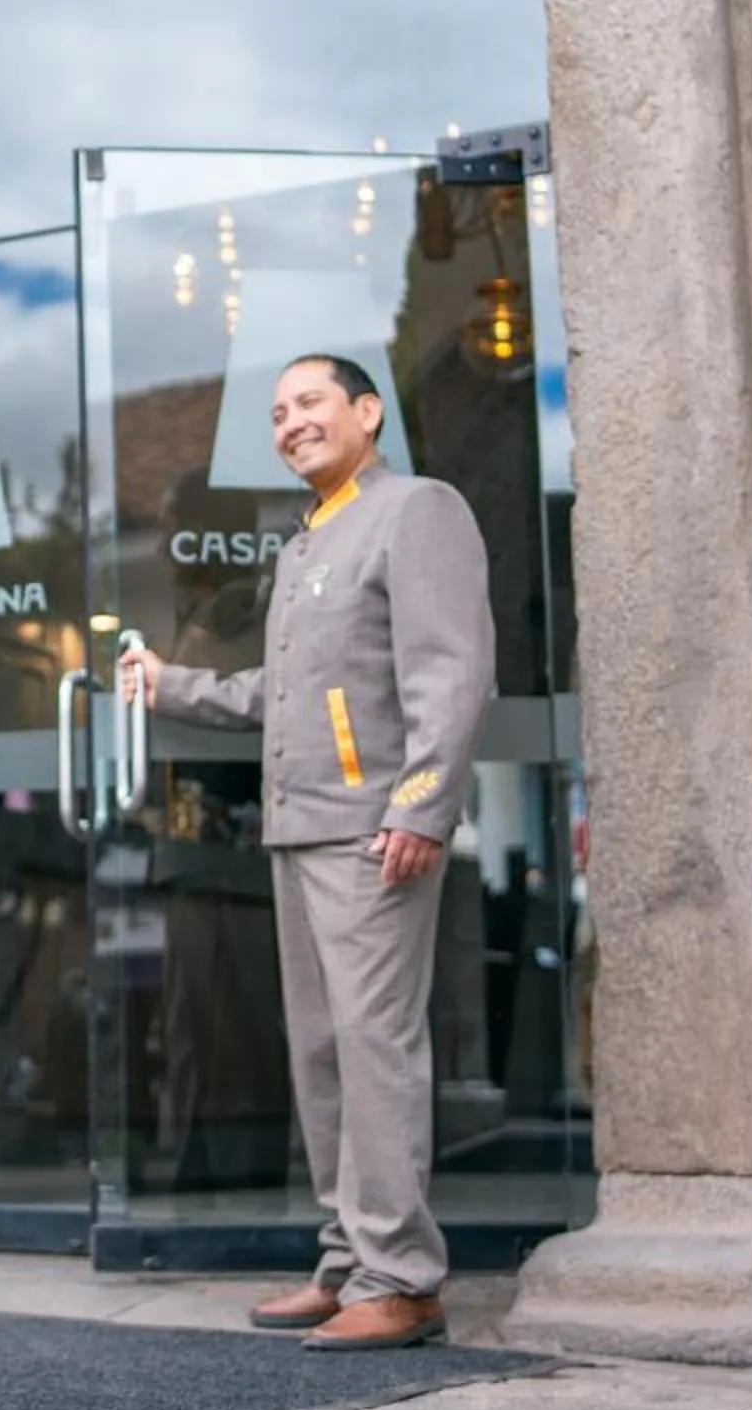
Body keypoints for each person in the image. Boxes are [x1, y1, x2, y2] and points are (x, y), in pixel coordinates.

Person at [119, 355, 491, 1350]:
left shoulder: (417, 511)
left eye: (311, 402)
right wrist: (170, 683)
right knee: (324, 1055)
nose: (291, 423)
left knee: (375, 1048)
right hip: (298, 831)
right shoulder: (306, 545)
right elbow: (274, 695)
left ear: (368, 410)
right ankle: (346, 1263)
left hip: (374, 833)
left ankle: (401, 1277)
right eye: (279, 412)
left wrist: (421, 806)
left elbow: (452, 672)